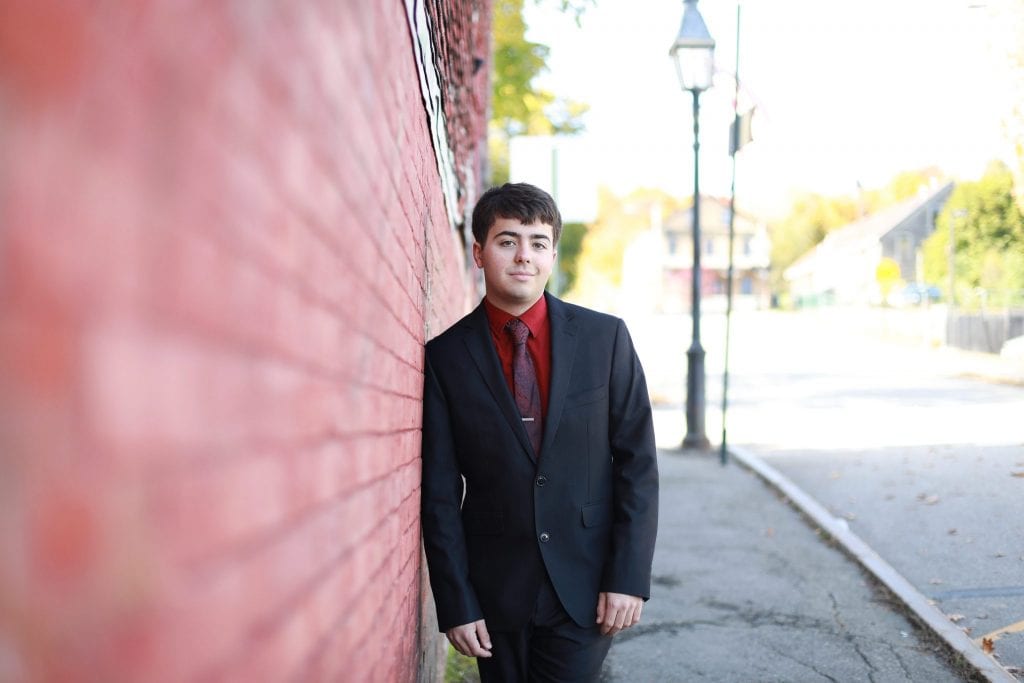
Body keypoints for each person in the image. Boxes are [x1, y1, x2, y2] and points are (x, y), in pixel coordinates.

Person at [420, 182, 658, 682]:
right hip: (495, 591)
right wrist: (456, 601)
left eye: (537, 242)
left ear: (552, 253)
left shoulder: (605, 338)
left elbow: (637, 466)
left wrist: (628, 578)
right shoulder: (445, 358)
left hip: (588, 586)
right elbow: (439, 492)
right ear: (479, 252)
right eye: (508, 241)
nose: (523, 256)